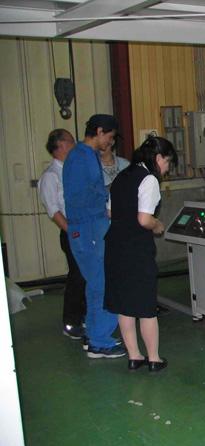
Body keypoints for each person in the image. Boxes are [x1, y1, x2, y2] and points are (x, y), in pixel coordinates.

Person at [104, 136, 177, 372]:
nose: (167, 168)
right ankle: (154, 359)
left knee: (124, 306)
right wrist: (158, 225)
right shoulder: (149, 179)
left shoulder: (121, 176)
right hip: (136, 250)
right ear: (158, 158)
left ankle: (134, 356)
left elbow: (110, 212)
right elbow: (144, 219)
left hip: (115, 247)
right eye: (167, 162)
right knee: (146, 307)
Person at [63, 114, 126, 359]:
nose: (110, 142)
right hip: (89, 228)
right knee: (104, 284)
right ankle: (100, 341)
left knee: (95, 284)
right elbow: (86, 195)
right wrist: (109, 198)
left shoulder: (80, 155)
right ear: (99, 132)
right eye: (110, 137)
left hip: (86, 227)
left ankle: (93, 334)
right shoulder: (83, 157)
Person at [38, 129, 86, 339]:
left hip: (84, 229)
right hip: (71, 232)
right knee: (77, 276)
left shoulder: (72, 170)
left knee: (86, 275)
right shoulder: (51, 176)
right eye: (71, 141)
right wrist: (72, 232)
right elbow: (54, 210)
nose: (75, 145)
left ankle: (84, 316)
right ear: (61, 145)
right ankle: (71, 322)